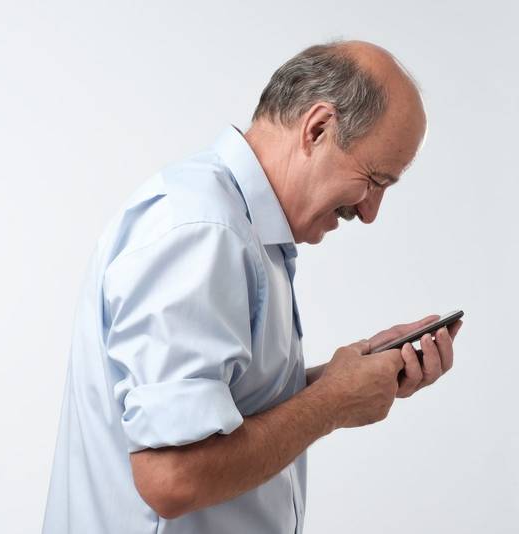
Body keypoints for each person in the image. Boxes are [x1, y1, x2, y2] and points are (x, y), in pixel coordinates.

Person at [42, 40, 463, 534]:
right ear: (318, 128)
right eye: (374, 179)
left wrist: (343, 379)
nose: (369, 212)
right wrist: (333, 403)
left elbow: (218, 411)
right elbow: (172, 477)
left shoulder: (241, 230)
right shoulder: (203, 232)